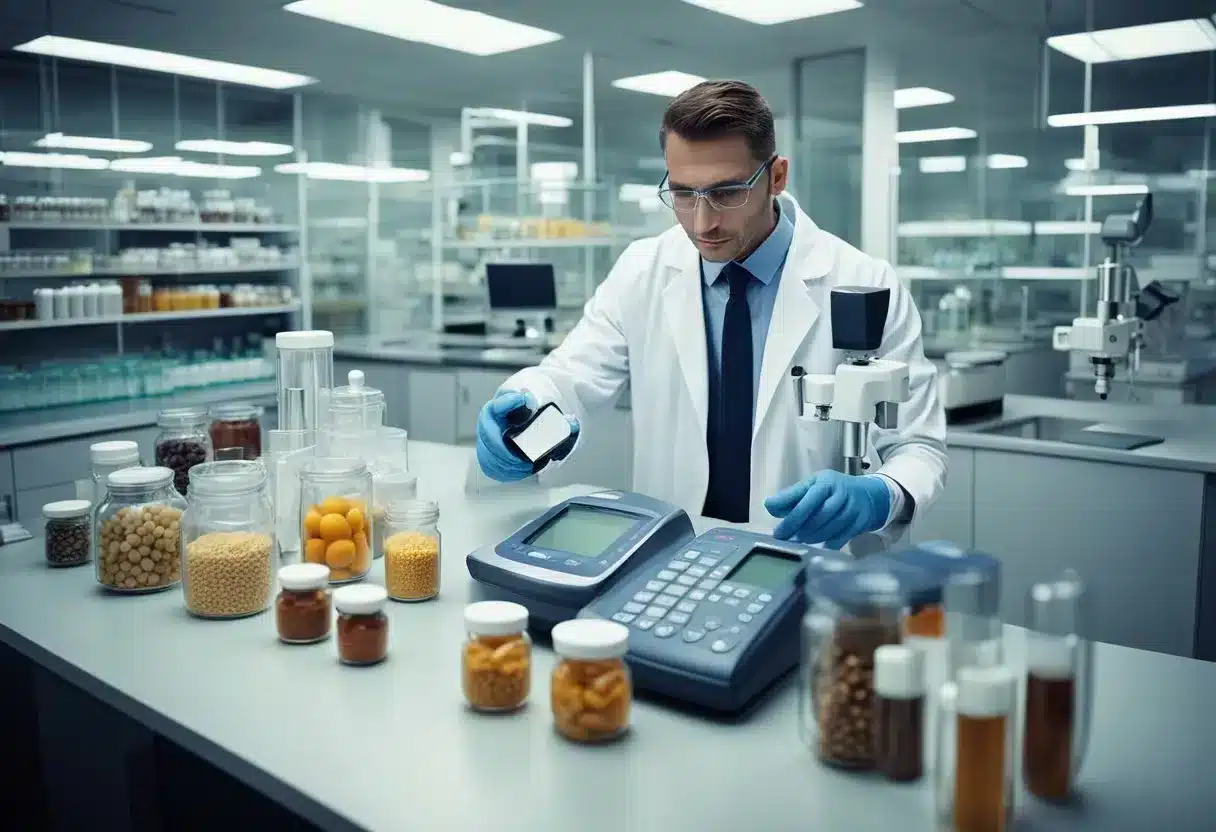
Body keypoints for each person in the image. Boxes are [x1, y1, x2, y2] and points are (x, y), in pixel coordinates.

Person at [475, 80, 946, 549]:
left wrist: (881, 495)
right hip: (667, 556)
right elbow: (570, 376)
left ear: (776, 177)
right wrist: (524, 405)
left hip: (806, 562)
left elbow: (917, 447)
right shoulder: (644, 269)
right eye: (683, 193)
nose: (702, 223)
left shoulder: (866, 281)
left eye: (726, 193)